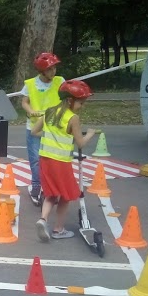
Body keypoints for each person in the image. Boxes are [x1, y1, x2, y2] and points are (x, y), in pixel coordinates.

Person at [31, 80, 98, 242]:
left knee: (51, 193)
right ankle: (58, 229)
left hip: (45, 160)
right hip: (60, 162)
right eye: (81, 103)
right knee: (66, 196)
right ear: (69, 100)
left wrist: (53, 138)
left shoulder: (49, 112)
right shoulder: (72, 118)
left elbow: (34, 131)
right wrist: (90, 133)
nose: (82, 106)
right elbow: (80, 142)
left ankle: (43, 219)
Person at [21, 52, 65, 203]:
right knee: (36, 159)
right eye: (50, 69)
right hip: (34, 127)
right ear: (41, 71)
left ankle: (53, 187)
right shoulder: (31, 84)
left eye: (54, 68)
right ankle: (36, 187)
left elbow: (67, 99)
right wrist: (31, 111)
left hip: (55, 127)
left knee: (54, 158)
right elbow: (24, 102)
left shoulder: (60, 81)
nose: (53, 71)